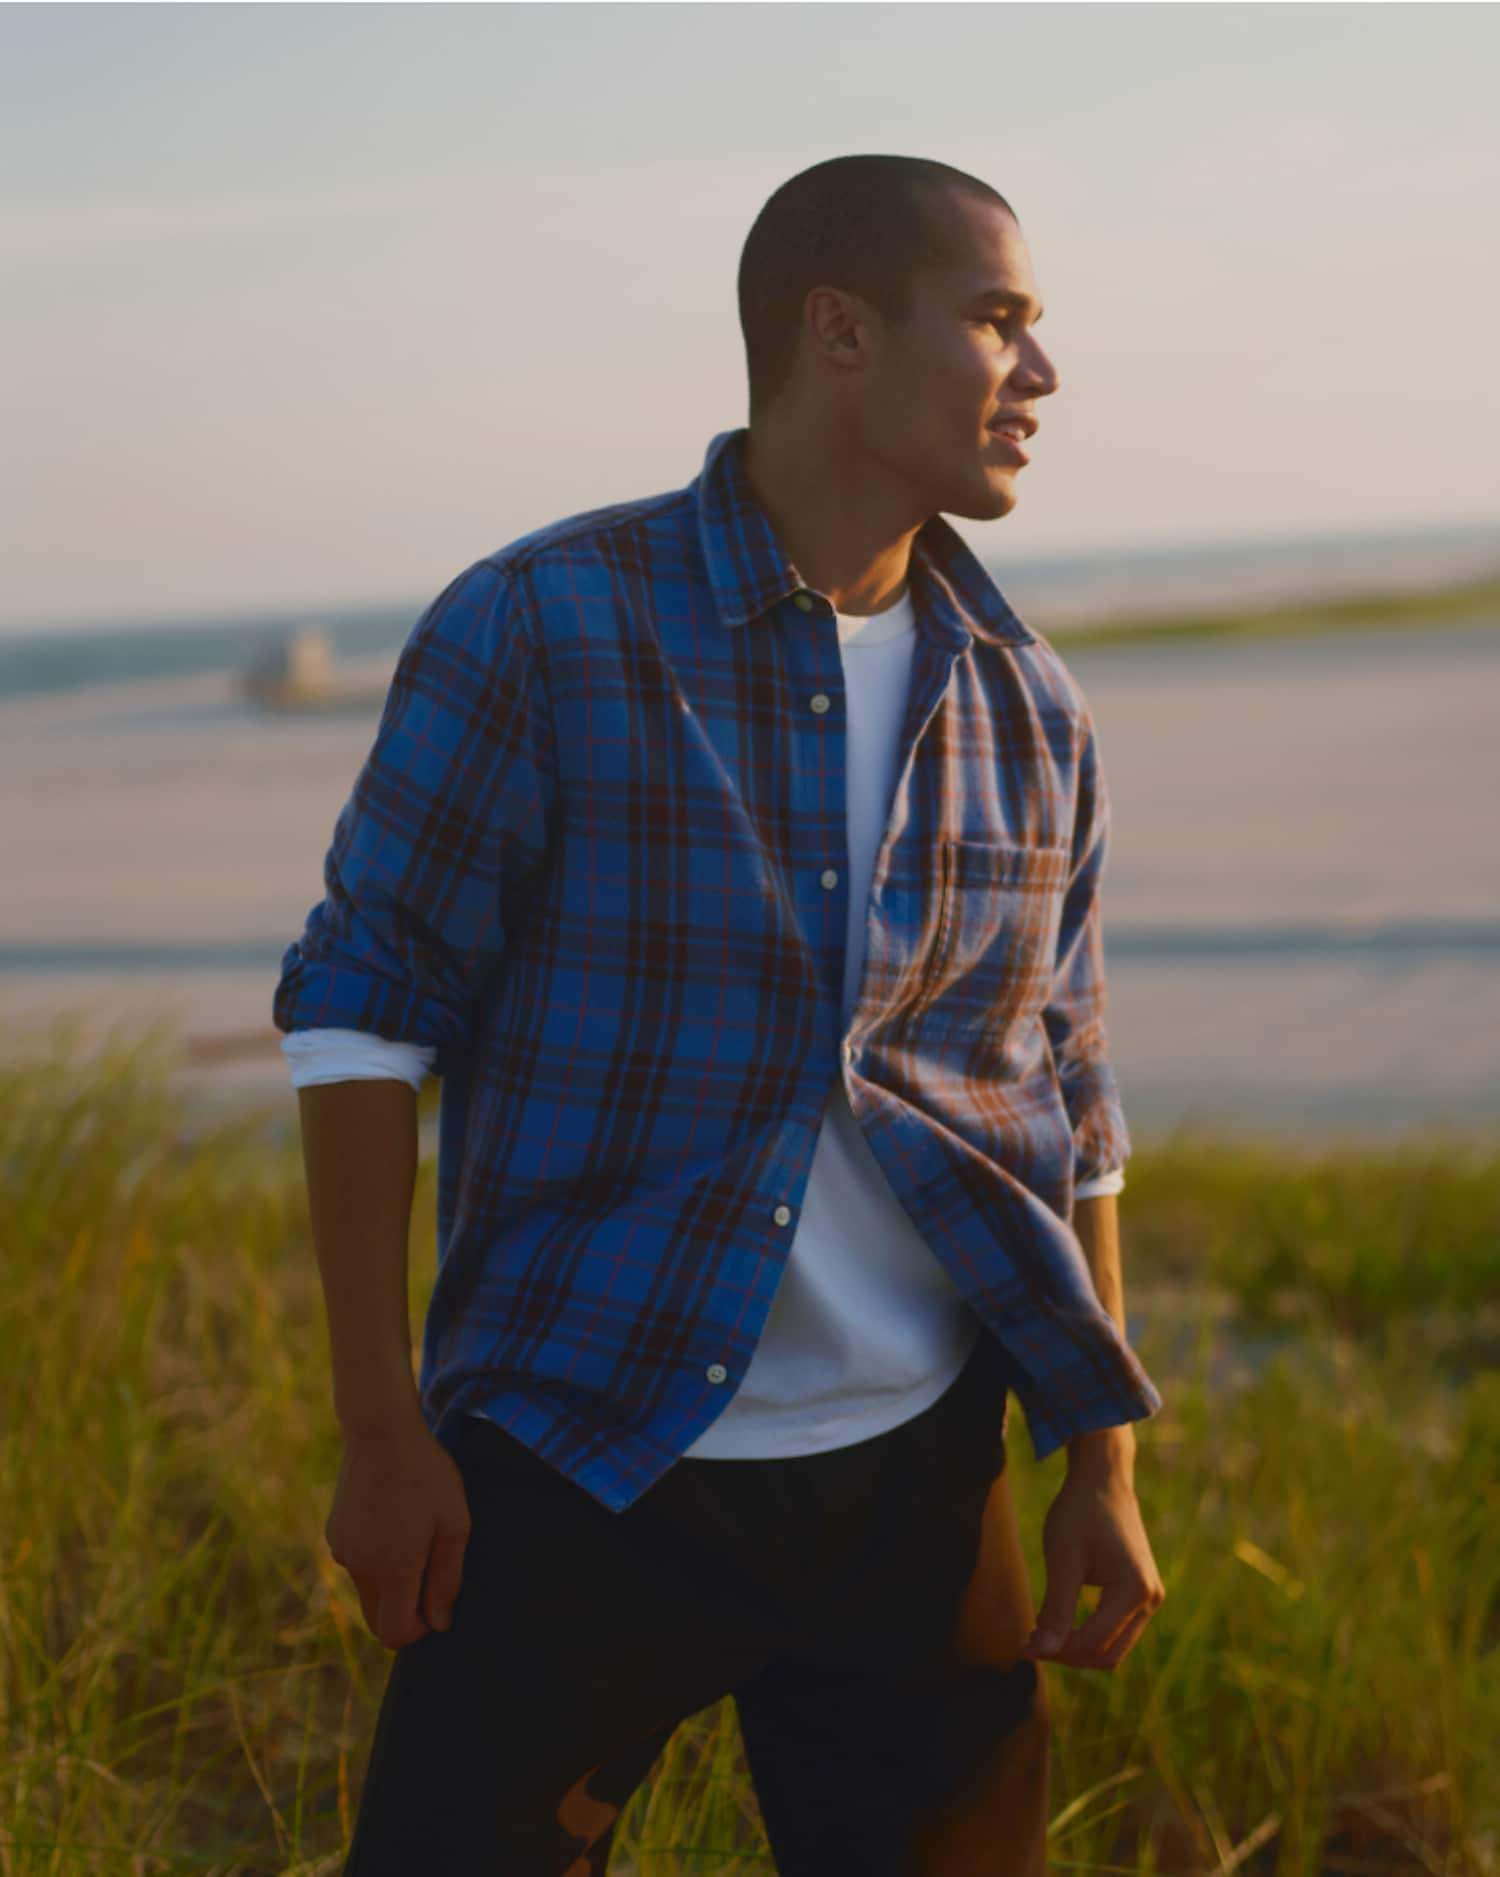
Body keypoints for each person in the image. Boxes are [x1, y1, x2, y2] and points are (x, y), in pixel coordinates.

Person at [273, 152, 1166, 1877]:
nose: (1041, 377)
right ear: (838, 332)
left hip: (925, 1481)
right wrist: (380, 1433)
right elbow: (361, 1016)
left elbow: (1066, 1094)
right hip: (580, 1464)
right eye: (998, 323)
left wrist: (1102, 1458)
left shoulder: (1029, 705)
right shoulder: (544, 628)